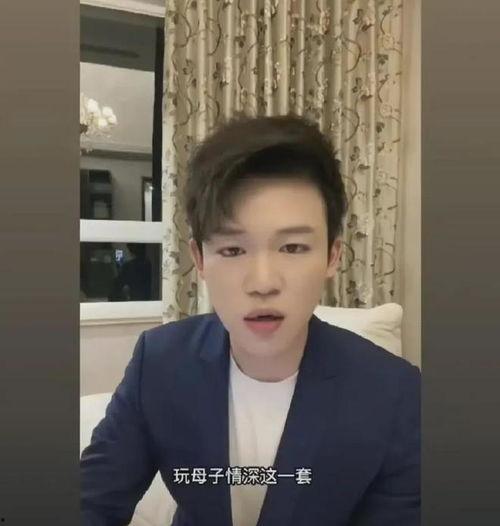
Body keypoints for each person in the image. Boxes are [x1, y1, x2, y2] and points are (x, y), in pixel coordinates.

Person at [81, 114, 420, 526]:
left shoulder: (395, 395)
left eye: (293, 247)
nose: (262, 283)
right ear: (199, 259)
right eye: (232, 250)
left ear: (333, 256)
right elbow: (91, 501)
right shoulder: (159, 363)